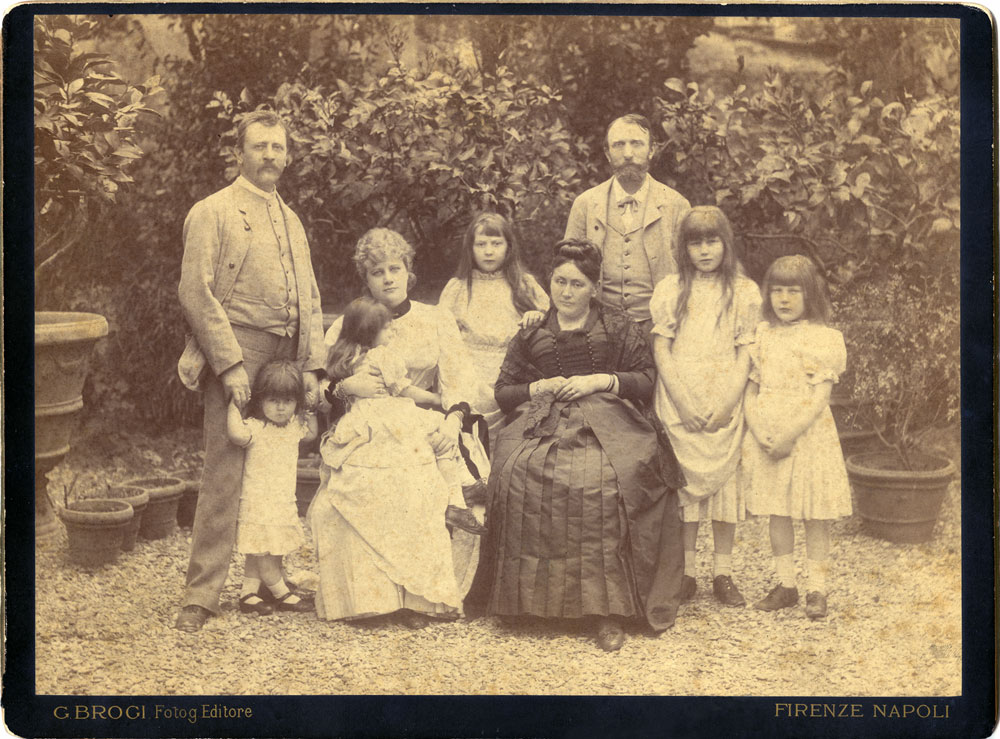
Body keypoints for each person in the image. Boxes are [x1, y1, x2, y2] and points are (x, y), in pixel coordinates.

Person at [469, 239, 686, 652]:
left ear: (593, 287)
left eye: (577, 284)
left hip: (612, 422)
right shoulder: (533, 329)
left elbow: (645, 377)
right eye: (559, 281)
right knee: (519, 474)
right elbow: (503, 392)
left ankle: (609, 611)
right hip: (544, 422)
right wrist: (540, 386)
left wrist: (602, 380)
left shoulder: (618, 325)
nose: (566, 292)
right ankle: (529, 606)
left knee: (602, 484)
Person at [175, 110, 326, 632]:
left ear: (288, 155)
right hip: (237, 347)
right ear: (238, 152)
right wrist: (231, 363)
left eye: (277, 148)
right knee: (226, 467)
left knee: (277, 471)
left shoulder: (291, 218)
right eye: (259, 146)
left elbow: (308, 295)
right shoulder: (212, 211)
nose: (269, 156)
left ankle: (268, 582)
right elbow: (195, 292)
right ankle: (202, 595)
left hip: (285, 357)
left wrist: (311, 365)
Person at [309, 228, 481, 628]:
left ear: (408, 272)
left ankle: (417, 599)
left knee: (415, 486)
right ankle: (370, 600)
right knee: (358, 489)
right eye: (376, 272)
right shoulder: (351, 322)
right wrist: (342, 386)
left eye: (395, 268)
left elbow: (459, 379)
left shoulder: (435, 319)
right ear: (365, 279)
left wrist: (452, 420)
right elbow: (319, 385)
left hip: (418, 427)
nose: (387, 278)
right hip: (364, 429)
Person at [650, 206, 762, 608]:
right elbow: (661, 347)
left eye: (711, 241)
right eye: (695, 242)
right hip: (681, 391)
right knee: (687, 492)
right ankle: (688, 574)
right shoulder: (670, 289)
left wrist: (729, 401)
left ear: (725, 243)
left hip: (724, 390)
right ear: (684, 248)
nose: (704, 250)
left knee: (724, 488)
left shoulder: (745, 291)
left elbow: (747, 350)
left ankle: (723, 572)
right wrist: (680, 399)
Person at [742, 255, 852, 620]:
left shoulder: (824, 338)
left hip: (807, 436)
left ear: (811, 295)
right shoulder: (762, 335)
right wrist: (759, 431)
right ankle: (786, 583)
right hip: (769, 435)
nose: (784, 299)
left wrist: (789, 435)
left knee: (814, 513)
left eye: (793, 291)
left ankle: (817, 589)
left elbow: (820, 398)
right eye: (777, 291)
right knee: (778, 511)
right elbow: (751, 390)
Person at [324, 296, 483, 535]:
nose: (392, 331)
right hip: (389, 414)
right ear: (371, 332)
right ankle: (459, 491)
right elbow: (402, 388)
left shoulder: (351, 355)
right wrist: (435, 399)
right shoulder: (382, 356)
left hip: (360, 419)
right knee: (438, 424)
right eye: (386, 328)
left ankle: (465, 488)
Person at [564, 113, 691, 335]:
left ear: (651, 150)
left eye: (637, 144)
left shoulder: (677, 205)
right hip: (597, 330)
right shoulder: (585, 204)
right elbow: (567, 271)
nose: (628, 154)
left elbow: (691, 276)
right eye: (619, 145)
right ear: (607, 153)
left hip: (659, 328)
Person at [438, 212, 549, 444]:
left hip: (512, 372)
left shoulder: (524, 284)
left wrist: (536, 317)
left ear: (509, 247)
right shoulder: (458, 288)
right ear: (470, 249)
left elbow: (551, 323)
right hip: (469, 371)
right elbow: (442, 335)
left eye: (496, 244)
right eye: (481, 244)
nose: (489, 251)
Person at [227, 360, 319, 616]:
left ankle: (248, 593)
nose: (280, 407)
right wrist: (234, 406)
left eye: (288, 401)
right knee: (266, 549)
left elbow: (311, 434)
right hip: (259, 500)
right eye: (273, 400)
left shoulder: (292, 427)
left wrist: (309, 409)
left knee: (265, 548)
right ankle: (281, 592)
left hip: (281, 499)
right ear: (260, 400)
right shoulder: (256, 428)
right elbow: (236, 434)